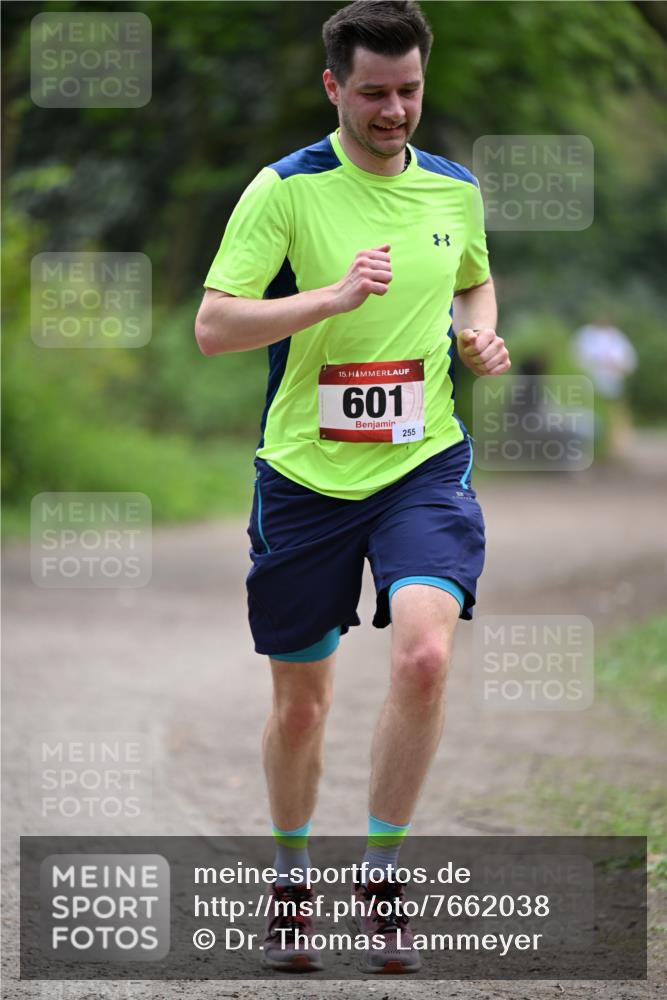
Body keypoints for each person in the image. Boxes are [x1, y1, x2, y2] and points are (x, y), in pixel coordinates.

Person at [195, 0, 510, 975]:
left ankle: (382, 880)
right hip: (304, 476)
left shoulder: (453, 190)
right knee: (301, 706)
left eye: (408, 89)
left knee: (422, 658)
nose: (393, 110)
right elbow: (214, 325)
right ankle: (290, 884)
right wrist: (326, 300)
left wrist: (476, 333)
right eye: (372, 92)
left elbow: (471, 278)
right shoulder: (284, 192)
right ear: (334, 86)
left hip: (422, 461)